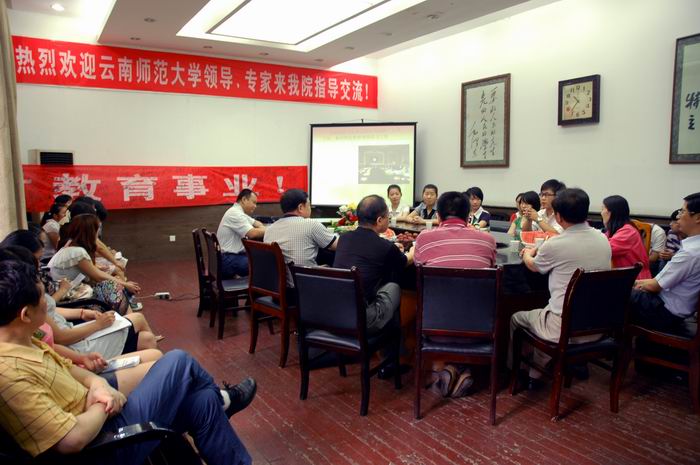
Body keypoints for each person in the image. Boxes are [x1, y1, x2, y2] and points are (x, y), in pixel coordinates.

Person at [0, 260, 256, 465]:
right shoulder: (10, 374)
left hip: (97, 414)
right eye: (43, 299)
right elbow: (72, 440)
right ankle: (224, 399)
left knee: (202, 402)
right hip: (102, 445)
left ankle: (222, 409)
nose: (48, 304)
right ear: (25, 315)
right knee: (178, 360)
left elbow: (72, 371)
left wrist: (99, 386)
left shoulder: (24, 341)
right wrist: (103, 403)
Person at [510, 188, 611, 384]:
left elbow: (534, 266)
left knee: (517, 319)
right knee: (546, 312)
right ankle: (538, 372)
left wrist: (528, 254)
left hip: (563, 327)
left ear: (558, 216)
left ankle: (520, 372)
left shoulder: (556, 244)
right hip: (598, 325)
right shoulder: (602, 238)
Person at [414, 191, 497, 397]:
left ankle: (451, 369)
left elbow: (417, 265)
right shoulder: (488, 240)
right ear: (468, 217)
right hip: (480, 331)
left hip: (434, 330)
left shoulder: (424, 238)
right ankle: (459, 368)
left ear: (438, 216)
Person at [333, 195, 414, 335]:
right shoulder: (384, 247)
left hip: (334, 313)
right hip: (362, 318)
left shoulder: (344, 238)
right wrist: (413, 250)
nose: (389, 219)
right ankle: (393, 341)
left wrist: (393, 249)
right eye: (388, 216)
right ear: (379, 220)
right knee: (393, 286)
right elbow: (404, 262)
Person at [630, 192, 700, 333]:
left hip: (664, 313)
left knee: (615, 292)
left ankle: (604, 340)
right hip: (678, 310)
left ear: (698, 217)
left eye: (682, 211)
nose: (678, 217)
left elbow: (655, 286)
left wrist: (630, 283)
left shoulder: (691, 252)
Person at [49, 214, 141, 313]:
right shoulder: (78, 252)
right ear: (91, 231)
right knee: (112, 286)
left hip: (66, 290)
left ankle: (127, 313)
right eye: (97, 229)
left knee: (113, 283)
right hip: (69, 294)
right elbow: (97, 276)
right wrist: (124, 284)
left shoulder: (72, 246)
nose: (98, 232)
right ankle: (128, 316)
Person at [263, 189, 337, 288]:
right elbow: (338, 246)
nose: (310, 209)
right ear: (300, 207)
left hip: (278, 289)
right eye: (309, 205)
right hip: (305, 288)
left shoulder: (269, 229)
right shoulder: (311, 225)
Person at [217, 188, 266, 278]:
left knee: (261, 258)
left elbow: (257, 223)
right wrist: (270, 230)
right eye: (254, 202)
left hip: (230, 257)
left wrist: (262, 228)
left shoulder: (238, 212)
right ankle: (259, 287)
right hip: (228, 259)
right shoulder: (235, 214)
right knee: (265, 263)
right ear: (244, 199)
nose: (255, 206)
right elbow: (252, 233)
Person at [601, 195, 652, 279]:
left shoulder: (628, 231)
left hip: (636, 280)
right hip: (623, 277)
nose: (601, 213)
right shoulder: (614, 230)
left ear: (611, 212)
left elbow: (604, 249)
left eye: (602, 209)